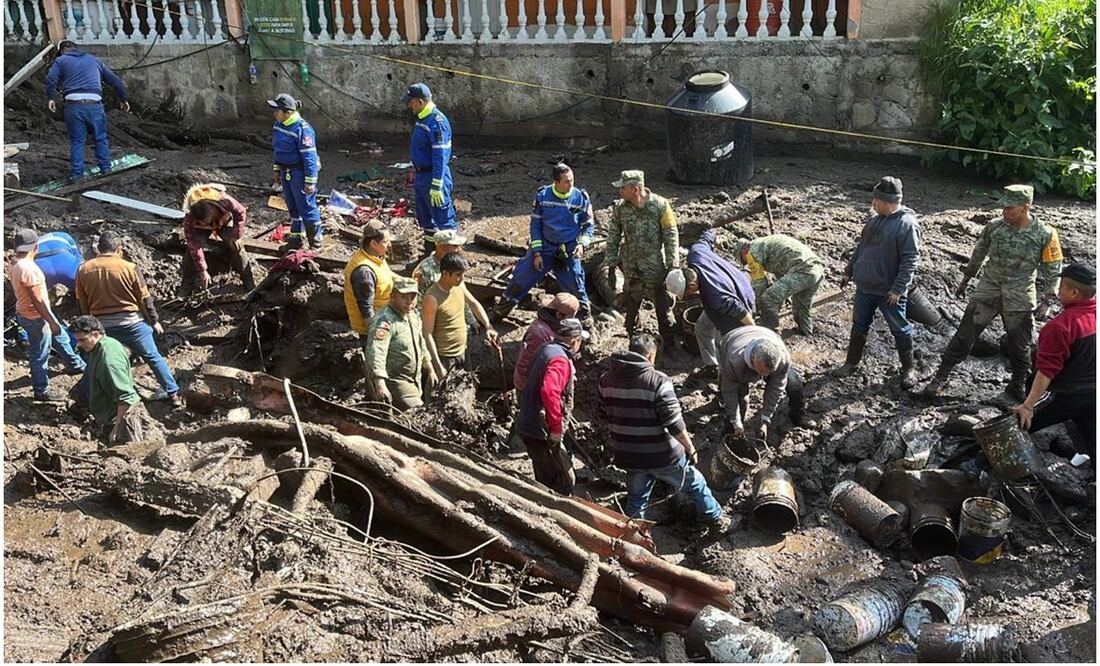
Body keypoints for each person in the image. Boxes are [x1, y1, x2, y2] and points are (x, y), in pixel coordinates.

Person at [923, 185, 1063, 401]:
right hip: (988, 289)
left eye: (1010, 208)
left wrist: (1048, 300)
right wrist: (967, 278)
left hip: (1020, 295)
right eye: (1003, 207)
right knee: (964, 335)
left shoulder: (1045, 234)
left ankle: (1017, 385)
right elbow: (978, 252)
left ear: (1026, 207)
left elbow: (1053, 268)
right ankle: (941, 376)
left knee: (1020, 345)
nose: (1004, 212)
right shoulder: (995, 227)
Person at [597, 334, 731, 533]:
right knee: (696, 485)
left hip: (628, 453)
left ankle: (633, 534)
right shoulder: (658, 381)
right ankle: (717, 520)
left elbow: (603, 413)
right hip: (662, 455)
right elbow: (674, 423)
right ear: (650, 356)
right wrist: (690, 447)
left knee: (637, 496)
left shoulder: (606, 380)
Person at [834, 176, 923, 389]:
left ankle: (908, 368)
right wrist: (849, 271)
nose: (873, 203)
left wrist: (898, 289)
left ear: (887, 201)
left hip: (888, 291)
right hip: (865, 287)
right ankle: (851, 363)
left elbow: (910, 260)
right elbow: (861, 248)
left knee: (900, 329)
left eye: (876, 200)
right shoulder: (874, 220)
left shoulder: (906, 225)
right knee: (859, 325)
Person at [74, 231, 181, 406]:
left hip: (102, 328)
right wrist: (154, 321)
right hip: (133, 325)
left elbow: (82, 302)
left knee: (95, 361)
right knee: (153, 357)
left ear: (98, 249)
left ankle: (84, 400)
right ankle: (173, 394)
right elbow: (145, 298)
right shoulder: (129, 268)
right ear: (119, 249)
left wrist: (89, 327)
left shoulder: (83, 270)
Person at [493, 164, 595, 323]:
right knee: (519, 279)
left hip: (568, 250)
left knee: (576, 286)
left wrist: (582, 244)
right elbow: (535, 225)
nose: (571, 185)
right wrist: (537, 253)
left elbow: (588, 226)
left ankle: (586, 325)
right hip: (545, 248)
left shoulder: (581, 198)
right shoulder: (543, 196)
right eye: (566, 181)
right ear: (556, 182)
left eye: (572, 180)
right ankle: (499, 313)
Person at [1012, 262, 1094, 455]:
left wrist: (1027, 405)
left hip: (1064, 395)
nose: (1059, 292)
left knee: (1012, 427)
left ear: (1074, 292)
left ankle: (975, 466)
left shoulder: (1060, 326)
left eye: (1062, 287)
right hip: (1093, 394)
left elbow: (1046, 372)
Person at [604, 170, 681, 352]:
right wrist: (611, 265)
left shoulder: (661, 206)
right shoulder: (620, 209)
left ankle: (668, 344)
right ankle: (635, 342)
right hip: (631, 268)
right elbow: (613, 236)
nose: (620, 191)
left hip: (655, 268)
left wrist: (673, 266)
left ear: (636, 189)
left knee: (663, 308)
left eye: (623, 188)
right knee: (631, 308)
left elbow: (671, 235)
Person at [9, 229, 85, 402]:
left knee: (61, 338)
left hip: (31, 312)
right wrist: (51, 321)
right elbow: (37, 300)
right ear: (35, 247)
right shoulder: (29, 269)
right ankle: (41, 390)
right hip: (36, 316)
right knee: (39, 354)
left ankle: (75, 365)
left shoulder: (15, 263)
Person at [665, 228, 755, 368]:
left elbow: (741, 311)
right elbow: (708, 233)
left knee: (724, 338)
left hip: (742, 295)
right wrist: (716, 239)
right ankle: (712, 366)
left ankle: (725, 370)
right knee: (702, 327)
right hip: (732, 281)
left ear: (693, 284)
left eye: (686, 292)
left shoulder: (714, 296)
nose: (688, 296)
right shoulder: (696, 253)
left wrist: (754, 332)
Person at [515, 318, 586, 494]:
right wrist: (555, 428)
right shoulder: (560, 360)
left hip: (528, 421)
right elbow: (549, 392)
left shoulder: (544, 349)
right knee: (556, 482)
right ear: (575, 341)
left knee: (545, 472)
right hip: (541, 429)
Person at [44, 40, 129, 181]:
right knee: (100, 138)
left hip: (73, 105)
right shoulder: (95, 60)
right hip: (95, 104)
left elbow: (51, 79)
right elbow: (115, 81)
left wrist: (51, 97)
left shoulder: (61, 60)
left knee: (77, 140)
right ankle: (106, 168)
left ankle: (77, 174)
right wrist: (123, 99)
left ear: (64, 50)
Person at [719, 325, 808, 442]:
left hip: (768, 336)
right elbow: (730, 392)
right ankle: (730, 433)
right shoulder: (733, 361)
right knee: (740, 399)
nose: (764, 377)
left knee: (794, 385)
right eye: (761, 372)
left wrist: (765, 419)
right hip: (732, 340)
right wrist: (737, 423)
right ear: (752, 359)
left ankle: (797, 417)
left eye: (768, 374)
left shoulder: (783, 359)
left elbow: (775, 389)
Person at [365, 277, 438, 411]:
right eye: (404, 297)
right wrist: (380, 384)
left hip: (415, 379)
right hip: (395, 381)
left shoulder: (412, 316)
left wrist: (430, 369)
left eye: (413, 297)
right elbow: (376, 352)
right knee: (419, 413)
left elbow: (421, 343)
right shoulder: (385, 321)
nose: (409, 302)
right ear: (392, 296)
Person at [70, 315, 144, 444]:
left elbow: (127, 398)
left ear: (95, 333)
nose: (79, 344)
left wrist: (116, 429)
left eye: (82, 340)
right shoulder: (104, 344)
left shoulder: (109, 361)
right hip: (106, 415)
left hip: (116, 419)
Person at [422, 252, 497, 378]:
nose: (462, 279)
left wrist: (488, 326)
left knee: (466, 387)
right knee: (442, 393)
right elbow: (427, 333)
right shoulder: (432, 298)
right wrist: (438, 365)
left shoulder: (459, 286)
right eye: (458, 275)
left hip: (462, 350)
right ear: (445, 273)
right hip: (445, 356)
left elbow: (474, 303)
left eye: (463, 274)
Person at [735, 234, 825, 335]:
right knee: (801, 307)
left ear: (743, 252)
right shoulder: (765, 243)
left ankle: (771, 333)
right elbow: (780, 274)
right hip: (816, 269)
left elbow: (760, 285)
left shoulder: (752, 252)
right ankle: (807, 334)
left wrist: (752, 311)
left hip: (803, 270)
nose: (746, 263)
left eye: (743, 260)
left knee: (767, 299)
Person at [180, 183, 258, 295]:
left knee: (237, 245)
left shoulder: (224, 201)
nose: (201, 223)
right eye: (199, 221)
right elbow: (194, 245)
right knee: (191, 252)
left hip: (223, 221)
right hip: (202, 229)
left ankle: (248, 281)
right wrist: (203, 270)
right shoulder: (190, 219)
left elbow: (241, 212)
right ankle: (185, 289)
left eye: (204, 221)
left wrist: (236, 234)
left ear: (211, 212)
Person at [268, 93, 323, 250]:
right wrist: (276, 169)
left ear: (288, 112)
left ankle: (316, 241)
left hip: (299, 172)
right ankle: (296, 239)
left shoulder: (303, 130)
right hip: (286, 171)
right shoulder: (278, 125)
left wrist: (310, 181)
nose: (274, 113)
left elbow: (310, 158)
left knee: (306, 205)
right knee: (292, 205)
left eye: (277, 110)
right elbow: (278, 150)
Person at [404, 83, 457, 237]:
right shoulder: (422, 119)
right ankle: (429, 255)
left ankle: (450, 258)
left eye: (410, 102)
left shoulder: (436, 122)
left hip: (433, 177)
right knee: (425, 219)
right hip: (421, 177)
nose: (409, 106)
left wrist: (437, 185)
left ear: (420, 102)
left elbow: (440, 156)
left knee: (444, 220)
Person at [513, 292, 580, 393]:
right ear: (559, 315)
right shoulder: (540, 335)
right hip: (533, 388)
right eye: (571, 317)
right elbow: (526, 367)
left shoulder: (552, 327)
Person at [344, 222, 394, 341]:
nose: (389, 245)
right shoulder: (364, 272)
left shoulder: (375, 256)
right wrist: (378, 338)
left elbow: (383, 274)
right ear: (373, 243)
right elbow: (366, 312)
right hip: (370, 331)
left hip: (384, 319)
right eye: (386, 242)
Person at [413, 229, 468, 295]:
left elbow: (463, 291)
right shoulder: (424, 270)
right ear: (443, 248)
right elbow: (419, 299)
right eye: (455, 246)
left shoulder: (455, 262)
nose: (459, 249)